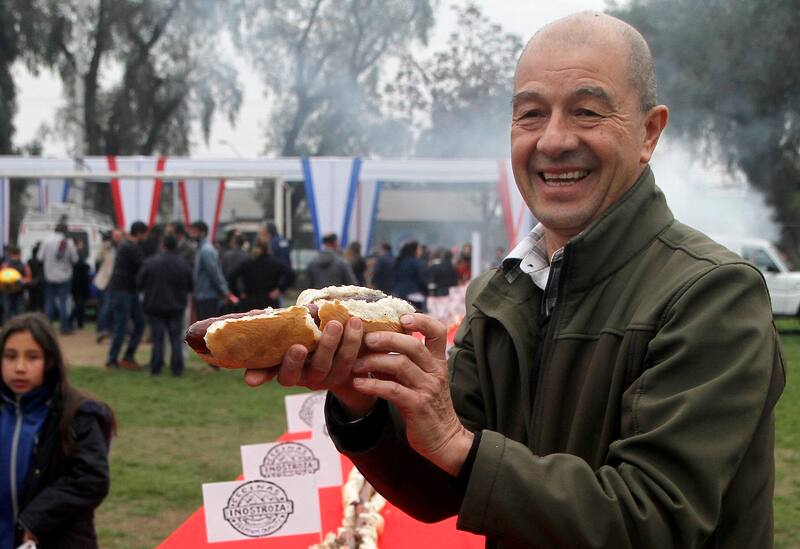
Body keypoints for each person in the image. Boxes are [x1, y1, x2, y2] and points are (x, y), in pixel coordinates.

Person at [245, 12, 785, 548]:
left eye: (587, 112)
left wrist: (459, 446)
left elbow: (656, 518)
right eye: (531, 114)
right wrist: (360, 402)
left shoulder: (712, 294)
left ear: (649, 132)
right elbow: (437, 490)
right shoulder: (500, 293)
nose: (553, 140)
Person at [0, 313, 115, 548]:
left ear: (50, 360)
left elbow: (91, 478)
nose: (20, 367)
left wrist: (35, 519)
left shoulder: (78, 415)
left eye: (32, 357)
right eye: (10, 356)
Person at [137, 235, 193, 376]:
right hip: (176, 306)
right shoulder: (183, 263)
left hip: (155, 305)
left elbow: (139, 282)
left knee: (158, 338)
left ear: (162, 246)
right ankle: (177, 368)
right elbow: (191, 284)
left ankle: (156, 367)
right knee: (176, 338)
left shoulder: (150, 262)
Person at [106, 221, 149, 370]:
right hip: (121, 291)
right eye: (145, 234)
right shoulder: (128, 247)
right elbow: (142, 265)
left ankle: (127, 357)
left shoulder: (129, 246)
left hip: (129, 290)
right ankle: (112, 360)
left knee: (139, 323)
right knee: (121, 325)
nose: (146, 237)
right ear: (139, 233)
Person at [189, 220, 236, 321]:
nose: (191, 234)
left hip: (208, 297)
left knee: (208, 326)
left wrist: (225, 291)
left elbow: (214, 273)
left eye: (194, 231)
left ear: (202, 232)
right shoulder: (201, 249)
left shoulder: (206, 251)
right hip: (203, 296)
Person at [37, 221, 78, 334]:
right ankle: (64, 327)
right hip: (65, 276)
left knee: (49, 301)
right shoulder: (69, 243)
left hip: (49, 276)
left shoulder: (46, 240)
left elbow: (40, 257)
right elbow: (75, 259)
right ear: (66, 231)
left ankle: (47, 328)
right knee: (63, 302)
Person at [229, 240, 295, 310]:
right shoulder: (274, 263)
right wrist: (280, 289)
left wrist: (238, 293)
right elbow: (290, 274)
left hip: (250, 302)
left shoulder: (248, 264)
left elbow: (232, 276)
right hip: (269, 302)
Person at [93, 229, 123, 342]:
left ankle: (113, 331)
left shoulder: (124, 247)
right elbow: (98, 258)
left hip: (119, 282)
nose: (117, 238)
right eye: (115, 236)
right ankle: (101, 330)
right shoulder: (107, 246)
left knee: (116, 308)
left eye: (119, 236)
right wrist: (103, 245)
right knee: (105, 307)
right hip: (107, 281)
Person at [392, 240, 428, 311]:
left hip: (399, 293)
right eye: (419, 249)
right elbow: (421, 279)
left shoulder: (399, 261)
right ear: (415, 250)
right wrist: (426, 291)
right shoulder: (417, 263)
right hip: (415, 295)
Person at [1, 245, 32, 323]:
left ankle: (8, 326)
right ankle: (18, 326)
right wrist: (20, 281)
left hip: (11, 291)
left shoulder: (6, 265)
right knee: (18, 312)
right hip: (15, 292)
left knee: (8, 311)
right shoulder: (23, 265)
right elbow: (29, 278)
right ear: (20, 253)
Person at [70, 240, 91, 330]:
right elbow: (85, 266)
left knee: (77, 303)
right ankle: (79, 322)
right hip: (81, 282)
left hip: (75, 282)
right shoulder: (79, 255)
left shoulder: (73, 255)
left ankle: (75, 321)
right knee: (80, 303)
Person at [25, 243, 44, 313]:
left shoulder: (30, 261)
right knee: (40, 300)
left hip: (31, 283)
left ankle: (32, 312)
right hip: (40, 283)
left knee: (32, 300)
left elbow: (27, 271)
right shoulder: (41, 261)